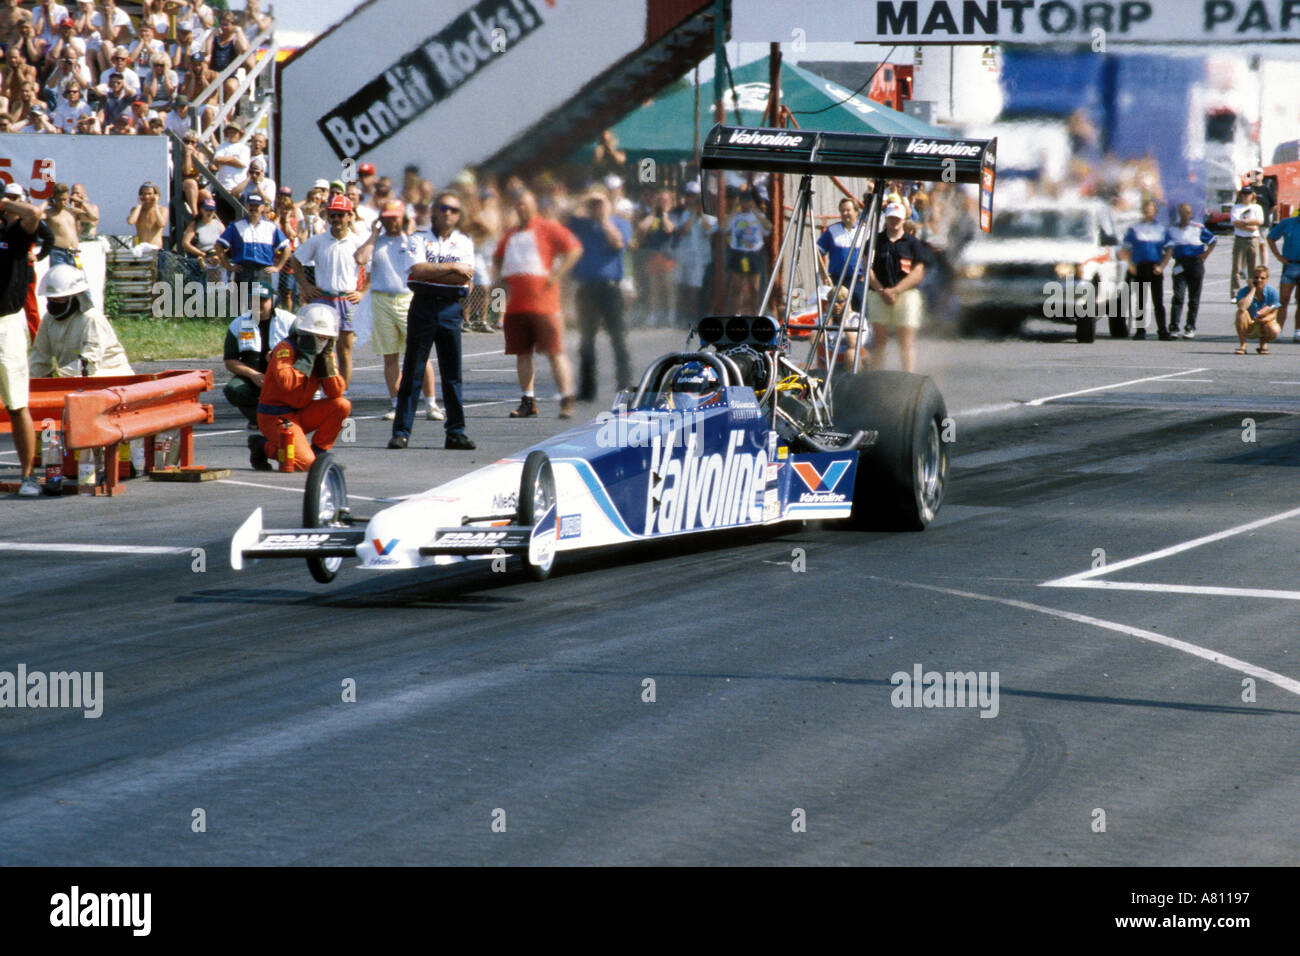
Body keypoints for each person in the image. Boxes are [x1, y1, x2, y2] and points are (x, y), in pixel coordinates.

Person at [386, 191, 475, 450]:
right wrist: (452, 269)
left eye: (454, 210)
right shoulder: (418, 238)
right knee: (413, 369)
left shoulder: (463, 242)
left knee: (452, 374)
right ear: (434, 211)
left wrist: (441, 273)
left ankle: (456, 432)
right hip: (423, 307)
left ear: (459, 216)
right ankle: (402, 431)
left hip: (450, 308)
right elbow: (417, 271)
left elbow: (465, 279)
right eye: (443, 208)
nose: (448, 213)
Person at [493, 188, 582, 419]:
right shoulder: (511, 234)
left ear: (534, 205)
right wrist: (499, 284)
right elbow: (499, 259)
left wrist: (557, 275)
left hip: (544, 305)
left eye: (524, 203)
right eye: (517, 204)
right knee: (522, 354)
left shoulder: (547, 228)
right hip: (517, 307)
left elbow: (574, 249)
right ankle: (528, 400)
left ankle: (567, 398)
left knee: (554, 352)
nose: (520, 207)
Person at [357, 199, 441, 424]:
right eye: (387, 217)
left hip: (408, 299)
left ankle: (431, 403)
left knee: (420, 354)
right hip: (381, 301)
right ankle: (397, 404)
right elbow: (360, 258)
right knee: (390, 356)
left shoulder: (412, 241)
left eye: (396, 217)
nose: (391, 221)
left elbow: (424, 258)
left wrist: (409, 230)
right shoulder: (378, 242)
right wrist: (374, 234)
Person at [247, 302, 350, 472]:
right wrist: (306, 359)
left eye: (325, 337)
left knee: (342, 405)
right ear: (304, 333)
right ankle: (261, 446)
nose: (321, 341)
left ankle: (319, 453)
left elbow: (335, 392)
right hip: (276, 416)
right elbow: (288, 385)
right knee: (306, 465)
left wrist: (326, 365)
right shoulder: (285, 350)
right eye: (316, 336)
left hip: (301, 412)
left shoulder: (324, 354)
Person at [291, 194, 364, 389]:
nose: (337, 220)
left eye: (341, 215)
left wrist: (363, 292)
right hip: (323, 299)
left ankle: (342, 394)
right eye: (333, 215)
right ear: (328, 216)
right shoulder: (319, 240)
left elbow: (374, 268)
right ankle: (314, 391)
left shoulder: (357, 242)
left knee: (345, 350)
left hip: (346, 300)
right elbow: (295, 260)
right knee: (317, 349)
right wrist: (306, 286)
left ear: (350, 216)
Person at [567, 189, 632, 402]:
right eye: (593, 204)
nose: (596, 207)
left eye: (600, 203)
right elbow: (567, 217)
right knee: (586, 340)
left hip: (610, 288)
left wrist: (605, 217)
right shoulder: (582, 224)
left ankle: (625, 385)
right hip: (586, 288)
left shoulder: (619, 223)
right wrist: (586, 200)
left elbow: (618, 243)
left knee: (617, 337)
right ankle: (587, 388)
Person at [0, 191, 41, 496]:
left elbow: (33, 215)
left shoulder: (12, 233)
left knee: (17, 404)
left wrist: (3, 203)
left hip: (7, 322)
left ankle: (28, 476)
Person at [29, 264, 131, 376]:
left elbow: (88, 364)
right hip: (72, 378)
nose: (54, 303)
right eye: (51, 299)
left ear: (75, 297)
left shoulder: (91, 318)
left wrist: (56, 376)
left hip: (110, 376)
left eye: (60, 299)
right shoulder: (49, 320)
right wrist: (31, 381)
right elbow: (39, 357)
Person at [221, 279, 294, 428]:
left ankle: (291, 416)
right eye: (254, 300)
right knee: (234, 390)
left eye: (263, 300)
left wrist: (279, 357)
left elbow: (305, 352)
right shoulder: (238, 324)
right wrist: (253, 375)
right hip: (253, 376)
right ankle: (260, 419)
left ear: (272, 301)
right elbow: (230, 361)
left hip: (284, 374)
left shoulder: (289, 321)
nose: (258, 304)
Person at [867, 201, 928, 372]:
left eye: (897, 218)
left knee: (906, 342)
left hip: (906, 294)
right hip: (879, 293)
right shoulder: (874, 241)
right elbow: (867, 268)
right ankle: (877, 376)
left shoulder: (913, 243)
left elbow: (918, 272)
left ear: (903, 219)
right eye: (891, 218)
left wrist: (895, 290)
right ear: (886, 219)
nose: (894, 222)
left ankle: (908, 376)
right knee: (879, 341)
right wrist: (882, 290)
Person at [1160, 202, 1216, 340]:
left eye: (1187, 212)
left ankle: (1190, 326)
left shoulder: (1198, 228)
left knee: (1194, 299)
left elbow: (1213, 240)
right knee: (1178, 296)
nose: (1185, 215)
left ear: (1191, 214)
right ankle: (1174, 326)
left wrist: (1205, 255)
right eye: (1182, 212)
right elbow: (1165, 245)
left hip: (1195, 263)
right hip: (1180, 264)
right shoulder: (1172, 229)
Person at [213, 191, 290, 290]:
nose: (253, 208)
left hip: (263, 270)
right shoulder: (236, 226)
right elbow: (218, 246)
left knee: (260, 303)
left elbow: (286, 248)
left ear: (262, 207)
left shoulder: (271, 227)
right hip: (243, 270)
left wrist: (278, 267)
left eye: (256, 206)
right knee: (242, 303)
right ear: (246, 206)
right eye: (251, 205)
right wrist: (227, 265)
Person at [1120, 199, 1171, 341]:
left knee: (1158, 301)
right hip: (1140, 267)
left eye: (1151, 209)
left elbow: (1169, 249)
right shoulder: (1135, 228)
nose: (1149, 212)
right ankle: (1140, 330)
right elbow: (1124, 250)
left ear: (1155, 211)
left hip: (1155, 267)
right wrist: (1131, 266)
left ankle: (1162, 330)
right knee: (1140, 301)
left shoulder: (1161, 229)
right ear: (1143, 211)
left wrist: (1162, 266)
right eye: (1146, 209)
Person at [720, 187, 770, 316]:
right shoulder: (735, 216)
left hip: (754, 253)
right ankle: (735, 314)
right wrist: (733, 209)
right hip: (738, 252)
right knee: (737, 287)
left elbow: (769, 227)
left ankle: (755, 314)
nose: (745, 203)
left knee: (754, 287)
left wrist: (755, 210)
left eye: (748, 201)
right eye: (743, 201)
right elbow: (723, 227)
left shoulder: (758, 216)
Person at [672, 181, 716, 323]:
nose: (692, 200)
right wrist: (693, 214)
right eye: (689, 196)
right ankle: (689, 314)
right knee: (690, 288)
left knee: (701, 289)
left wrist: (701, 213)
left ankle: (699, 314)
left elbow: (708, 229)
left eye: (695, 197)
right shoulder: (686, 214)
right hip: (689, 258)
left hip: (703, 259)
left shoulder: (709, 215)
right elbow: (684, 229)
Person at [635, 188, 677, 327]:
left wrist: (664, 213)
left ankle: (671, 314)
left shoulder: (673, 215)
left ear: (670, 202)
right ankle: (654, 314)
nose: (661, 203)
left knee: (669, 287)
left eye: (664, 200)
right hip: (652, 255)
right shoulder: (650, 216)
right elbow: (641, 228)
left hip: (667, 255)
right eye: (659, 200)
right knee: (654, 288)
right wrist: (653, 213)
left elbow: (668, 229)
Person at [817, 196, 868, 309]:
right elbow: (818, 252)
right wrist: (823, 274)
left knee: (859, 312)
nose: (845, 213)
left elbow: (872, 256)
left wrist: (866, 274)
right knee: (837, 311)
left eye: (848, 210)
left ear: (856, 212)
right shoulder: (832, 230)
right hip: (837, 280)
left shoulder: (865, 231)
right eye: (842, 211)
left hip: (858, 281)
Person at [1266, 209, 1300, 342]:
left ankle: (1298, 331)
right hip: (1290, 265)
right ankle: (1278, 329)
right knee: (1284, 299)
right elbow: (1271, 237)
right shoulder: (1287, 223)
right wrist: (1278, 256)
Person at [1234, 265, 1280, 355]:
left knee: (1274, 330)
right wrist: (1253, 289)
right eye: (1256, 277)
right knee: (1241, 313)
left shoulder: (1272, 292)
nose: (1259, 280)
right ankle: (1243, 345)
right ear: (1252, 278)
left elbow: (1274, 313)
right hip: (1248, 324)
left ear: (1267, 279)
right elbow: (1242, 307)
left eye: (1262, 278)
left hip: (1263, 323)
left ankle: (1263, 345)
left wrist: (1263, 320)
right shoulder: (1243, 291)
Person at [1229, 186, 1265, 301]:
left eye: (1248, 194)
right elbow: (1235, 222)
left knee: (1253, 268)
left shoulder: (1257, 207)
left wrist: (1244, 222)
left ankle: (1253, 292)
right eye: (1244, 194)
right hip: (1240, 239)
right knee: (1237, 267)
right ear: (1240, 195)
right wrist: (1250, 226)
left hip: (1253, 239)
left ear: (1252, 195)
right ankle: (1235, 294)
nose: (1246, 196)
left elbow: (1259, 221)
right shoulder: (1236, 207)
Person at [44, 183, 80, 268]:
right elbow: (35, 215)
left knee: (77, 279)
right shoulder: (49, 213)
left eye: (65, 199)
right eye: (59, 200)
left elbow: (93, 217)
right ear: (54, 199)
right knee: (60, 279)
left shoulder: (71, 212)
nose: (63, 203)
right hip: (58, 253)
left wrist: (80, 201)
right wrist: (46, 202)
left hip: (74, 253)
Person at [126, 180, 167, 255]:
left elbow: (162, 224)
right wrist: (139, 205)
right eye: (144, 194)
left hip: (156, 249)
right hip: (142, 249)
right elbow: (131, 221)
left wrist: (155, 206)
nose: (146, 197)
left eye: (149, 194)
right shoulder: (136, 210)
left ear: (155, 195)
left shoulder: (162, 210)